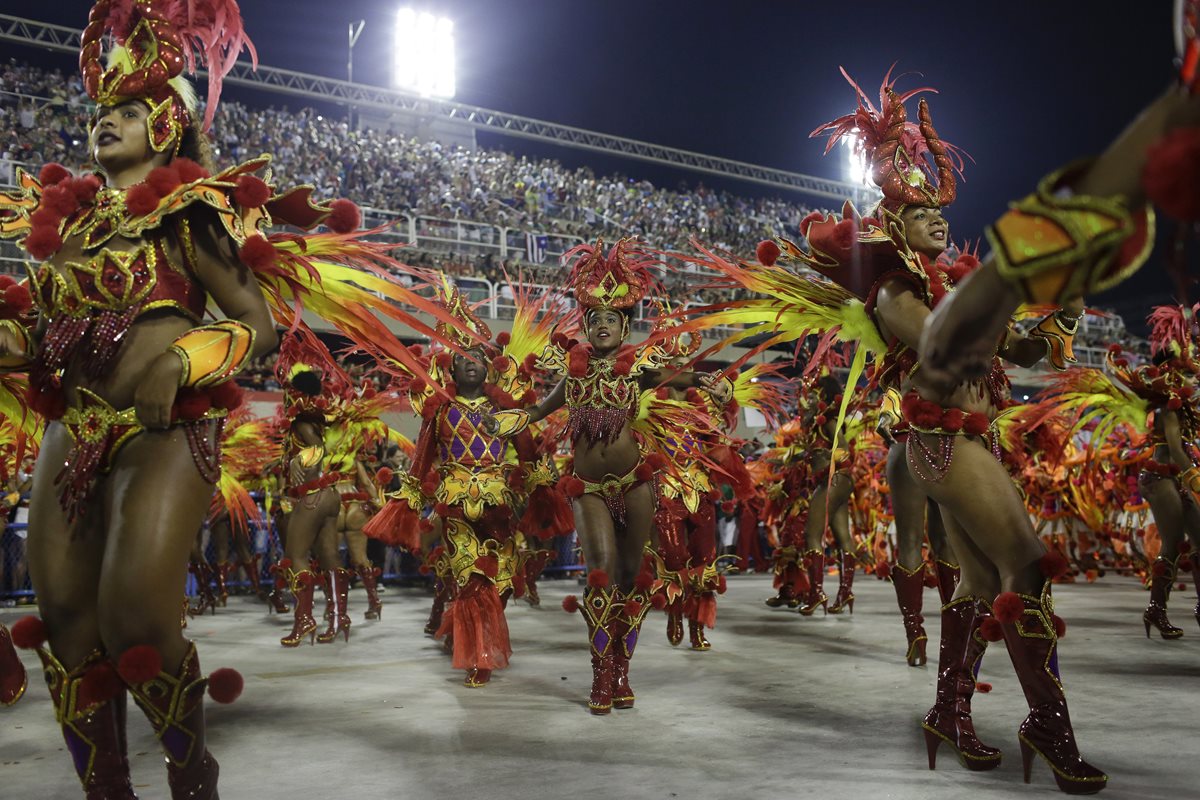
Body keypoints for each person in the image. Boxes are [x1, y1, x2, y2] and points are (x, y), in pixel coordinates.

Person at [487, 238, 731, 714]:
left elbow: (681, 378)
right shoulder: (573, 372)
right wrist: (517, 417)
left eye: (611, 319)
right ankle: (600, 677)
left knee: (628, 574)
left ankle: (622, 669)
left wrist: (711, 383)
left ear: (624, 327)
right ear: (585, 325)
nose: (601, 325)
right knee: (599, 574)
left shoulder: (638, 367)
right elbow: (541, 406)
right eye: (593, 319)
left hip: (636, 482)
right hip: (589, 489)